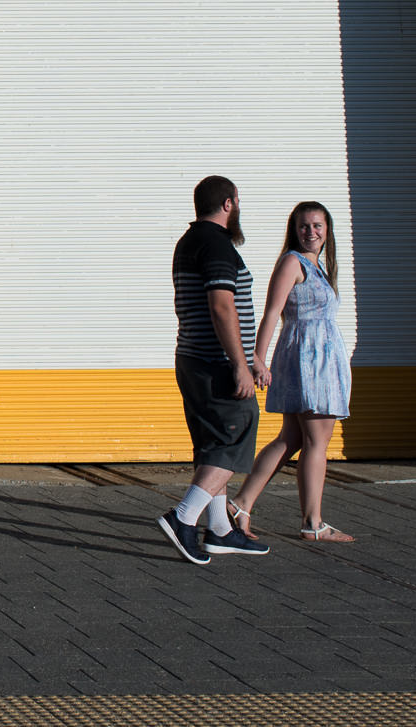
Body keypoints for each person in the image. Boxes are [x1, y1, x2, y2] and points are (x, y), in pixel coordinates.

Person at [157, 175, 272, 563]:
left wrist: (249, 357)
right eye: (237, 202)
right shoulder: (216, 244)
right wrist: (240, 364)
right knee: (232, 439)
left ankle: (221, 530)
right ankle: (183, 517)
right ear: (228, 203)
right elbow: (222, 305)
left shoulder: (189, 242)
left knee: (212, 445)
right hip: (216, 364)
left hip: (192, 358)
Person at [228, 202, 356, 542]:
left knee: (293, 438)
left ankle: (241, 504)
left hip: (316, 359)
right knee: (317, 441)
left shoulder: (318, 267)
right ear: (294, 230)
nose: (310, 232)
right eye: (304, 226)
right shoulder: (292, 262)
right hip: (308, 360)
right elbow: (272, 312)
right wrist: (258, 358)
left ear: (327, 230)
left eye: (317, 225)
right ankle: (313, 524)